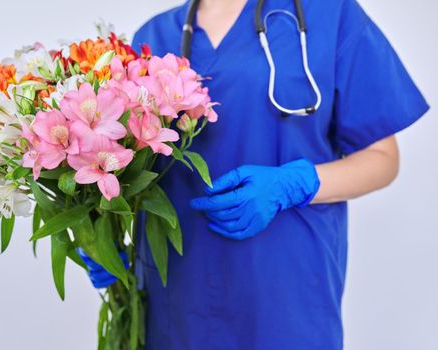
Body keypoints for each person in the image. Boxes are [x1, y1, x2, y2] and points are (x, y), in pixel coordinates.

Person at [77, 0, 430, 348]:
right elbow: (130, 169)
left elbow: (383, 159)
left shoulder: (330, 13)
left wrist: (295, 184)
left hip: (288, 295)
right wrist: (102, 235)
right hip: (176, 301)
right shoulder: (154, 37)